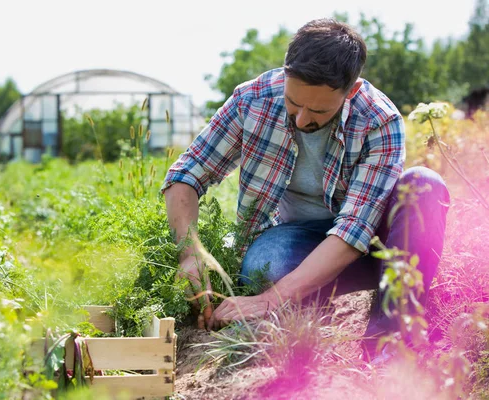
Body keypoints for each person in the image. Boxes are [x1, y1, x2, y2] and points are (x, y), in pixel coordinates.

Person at [160, 18, 450, 361]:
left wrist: (269, 300)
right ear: (285, 76)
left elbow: (353, 231)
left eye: (318, 110)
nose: (300, 120)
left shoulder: (379, 120)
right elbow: (186, 175)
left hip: (375, 239)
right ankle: (326, 291)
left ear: (350, 92)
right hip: (301, 236)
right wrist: (190, 252)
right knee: (264, 267)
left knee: (425, 185)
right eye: (293, 103)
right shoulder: (252, 99)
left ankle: (390, 338)